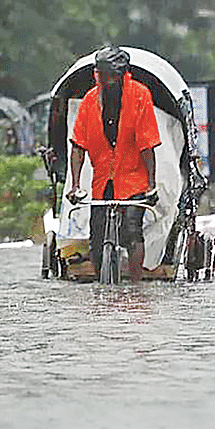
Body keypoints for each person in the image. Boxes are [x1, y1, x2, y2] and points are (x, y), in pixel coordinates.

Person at [66, 45, 161, 282]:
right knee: (96, 238)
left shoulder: (140, 95)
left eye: (104, 74)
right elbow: (78, 145)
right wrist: (75, 185)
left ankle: (137, 285)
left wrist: (151, 185)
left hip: (134, 178)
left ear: (118, 76)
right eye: (97, 73)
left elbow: (147, 145)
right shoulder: (90, 100)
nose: (99, 79)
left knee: (131, 229)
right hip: (102, 180)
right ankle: (101, 286)